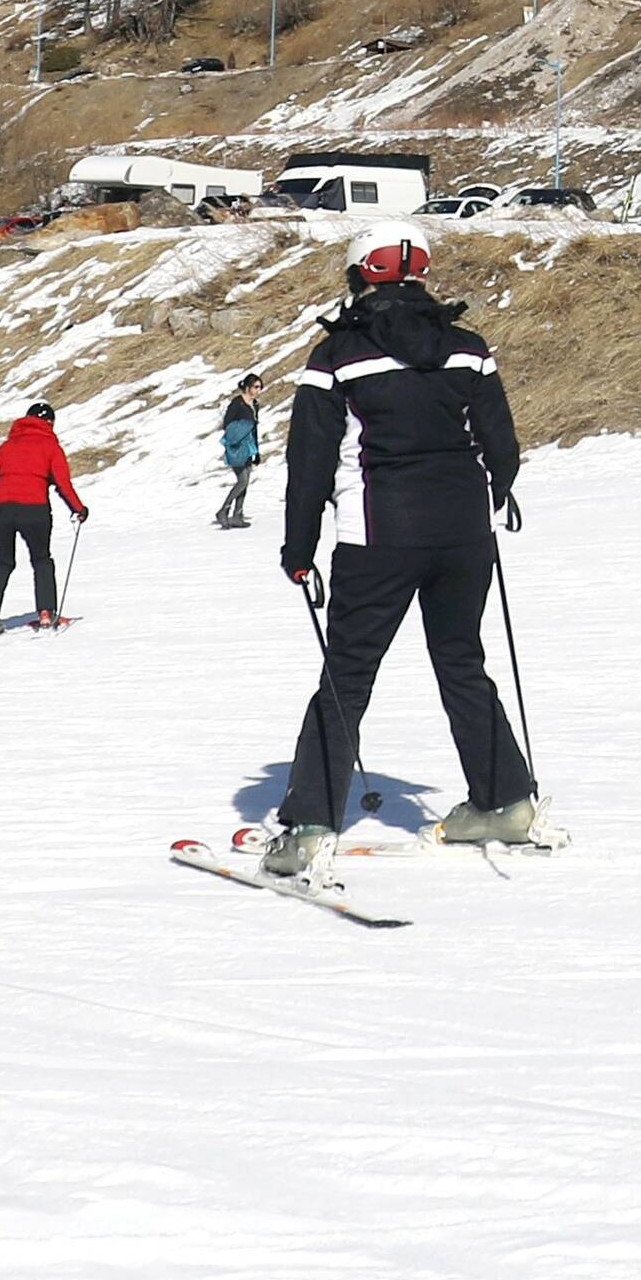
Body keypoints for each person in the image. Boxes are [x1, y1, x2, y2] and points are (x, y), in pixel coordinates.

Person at [261, 234, 536, 880]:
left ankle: (308, 827)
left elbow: (310, 464)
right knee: (463, 663)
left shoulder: (338, 355)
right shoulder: (468, 349)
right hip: (465, 533)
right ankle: (504, 802)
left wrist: (299, 550)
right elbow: (502, 443)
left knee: (348, 676)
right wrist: (496, 492)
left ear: (361, 275)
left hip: (377, 534)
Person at [0, 397, 88, 634]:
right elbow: (62, 484)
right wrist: (78, 509)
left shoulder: (7, 446)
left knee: (3, 561)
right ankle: (46, 613)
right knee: (41, 560)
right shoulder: (50, 446)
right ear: (49, 422)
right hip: (33, 510)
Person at [212, 374, 266, 531]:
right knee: (242, 480)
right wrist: (239, 433)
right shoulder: (237, 403)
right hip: (236, 446)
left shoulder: (254, 404)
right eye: (256, 387)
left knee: (246, 481)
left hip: (249, 447)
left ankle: (238, 515)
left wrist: (257, 450)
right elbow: (227, 424)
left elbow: (254, 428)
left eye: (260, 387)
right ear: (247, 387)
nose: (258, 390)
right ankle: (224, 510)